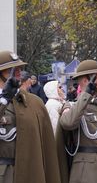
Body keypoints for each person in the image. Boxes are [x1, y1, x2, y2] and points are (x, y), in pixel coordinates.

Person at [0, 50, 61, 183]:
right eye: (10, 69)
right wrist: (4, 100)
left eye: (19, 68)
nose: (18, 72)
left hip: (32, 172)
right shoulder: (3, 101)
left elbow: (47, 147)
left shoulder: (34, 102)